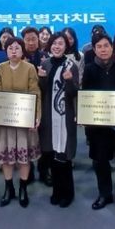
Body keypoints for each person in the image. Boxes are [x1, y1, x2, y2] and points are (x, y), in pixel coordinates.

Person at [82, 34, 115, 216]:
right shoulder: (89, 69)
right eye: (99, 46)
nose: (103, 49)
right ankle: (104, 194)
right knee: (101, 161)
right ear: (94, 49)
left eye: (106, 45)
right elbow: (86, 95)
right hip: (98, 125)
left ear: (112, 47)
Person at [0, 37, 41, 208]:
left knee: (23, 158)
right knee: (6, 158)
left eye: (17, 48)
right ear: (6, 51)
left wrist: (36, 116)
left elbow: (35, 92)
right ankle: (9, 188)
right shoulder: (0, 68)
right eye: (10, 48)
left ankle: (23, 188)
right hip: (4, 120)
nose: (14, 51)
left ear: (22, 50)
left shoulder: (29, 68)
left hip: (24, 120)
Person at [38, 33, 79, 207]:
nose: (57, 46)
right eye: (54, 43)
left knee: (64, 157)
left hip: (64, 117)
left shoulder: (71, 66)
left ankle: (67, 193)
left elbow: (74, 93)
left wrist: (69, 81)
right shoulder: (45, 64)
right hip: (48, 117)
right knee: (52, 156)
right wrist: (41, 78)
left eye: (60, 43)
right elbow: (42, 92)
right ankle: (56, 191)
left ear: (65, 47)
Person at [21, 26, 47, 184]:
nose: (31, 42)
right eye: (28, 40)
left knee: (43, 138)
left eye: (33, 39)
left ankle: (44, 171)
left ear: (38, 40)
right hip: (24, 105)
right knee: (26, 139)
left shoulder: (45, 57)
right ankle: (28, 172)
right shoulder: (18, 58)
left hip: (42, 103)